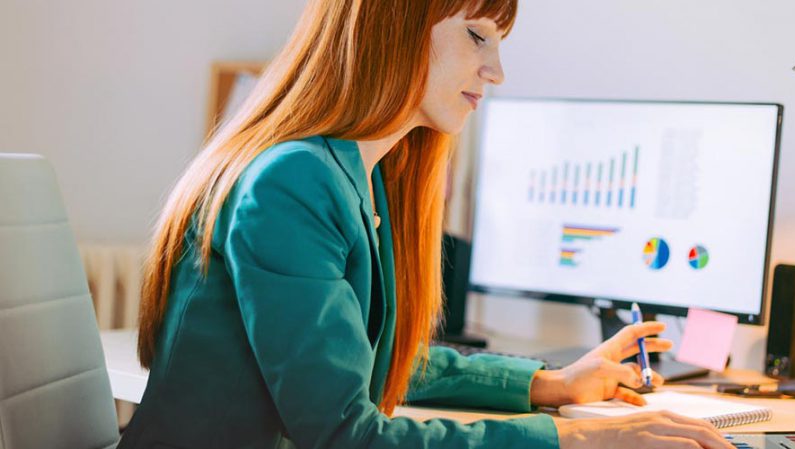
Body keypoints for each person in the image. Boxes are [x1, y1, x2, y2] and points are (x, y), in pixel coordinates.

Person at [118, 1, 732, 448]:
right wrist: (580, 443)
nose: (496, 72)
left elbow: (362, 355)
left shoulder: (358, 172)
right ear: (396, 27)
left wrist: (553, 385)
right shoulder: (294, 181)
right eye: (476, 36)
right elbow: (344, 436)